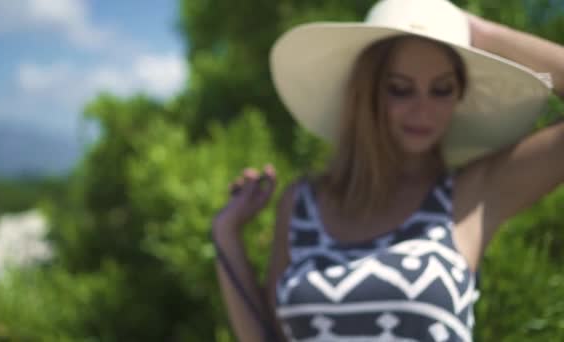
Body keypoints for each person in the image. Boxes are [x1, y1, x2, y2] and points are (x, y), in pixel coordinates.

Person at [211, 0, 564, 340]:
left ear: (459, 97)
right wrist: (226, 233)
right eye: (400, 89)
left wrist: (480, 32)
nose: (422, 110)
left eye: (441, 90)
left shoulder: (470, 196)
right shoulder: (302, 205)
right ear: (368, 92)